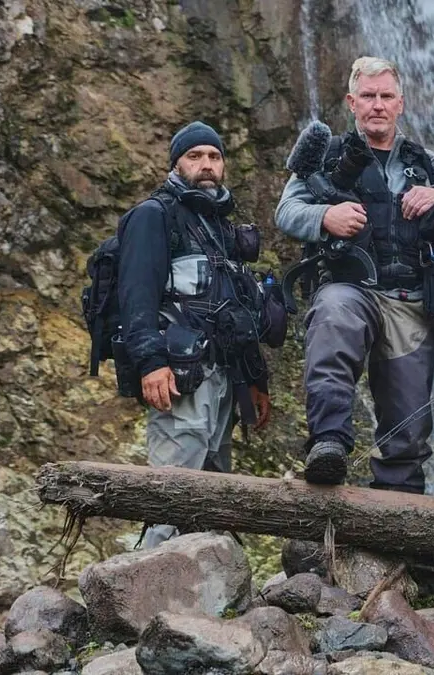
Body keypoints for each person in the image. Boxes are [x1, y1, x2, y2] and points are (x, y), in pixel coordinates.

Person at [274, 57, 434, 491]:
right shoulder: (326, 156)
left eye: (385, 96)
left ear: (400, 103)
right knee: (333, 317)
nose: (377, 105)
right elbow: (286, 211)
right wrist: (325, 216)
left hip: (410, 298)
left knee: (409, 422)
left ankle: (400, 504)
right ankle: (328, 444)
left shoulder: (427, 162)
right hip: (350, 286)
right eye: (368, 96)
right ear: (352, 102)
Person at [118, 121, 273, 549]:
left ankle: (209, 585)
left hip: (223, 379)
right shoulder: (154, 216)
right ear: (176, 164)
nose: (206, 164)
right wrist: (151, 363)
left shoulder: (220, 228)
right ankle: (144, 580)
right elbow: (136, 297)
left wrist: (255, 380)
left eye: (214, 156)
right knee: (172, 493)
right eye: (195, 156)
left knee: (212, 496)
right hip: (180, 378)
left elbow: (236, 311)